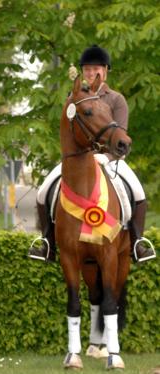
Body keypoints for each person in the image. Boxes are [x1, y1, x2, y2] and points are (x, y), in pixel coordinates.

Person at [28, 44, 156, 264]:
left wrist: (105, 157)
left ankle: (137, 242)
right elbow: (67, 131)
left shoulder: (116, 99)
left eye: (96, 69)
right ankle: (47, 242)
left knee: (137, 191)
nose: (91, 73)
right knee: (43, 191)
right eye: (87, 69)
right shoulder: (73, 98)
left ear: (105, 71)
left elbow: (121, 136)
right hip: (77, 160)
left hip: (110, 159)